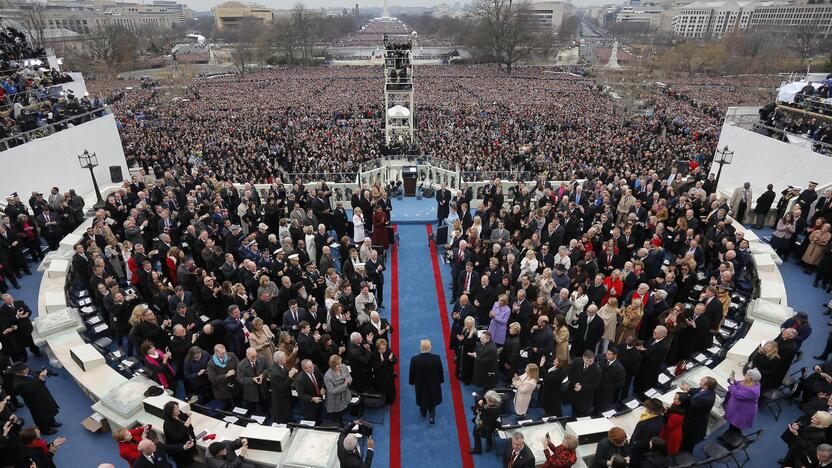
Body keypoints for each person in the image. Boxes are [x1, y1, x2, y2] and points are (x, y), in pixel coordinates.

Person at [10, 362, 60, 435]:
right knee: (40, 416)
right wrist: (41, 378)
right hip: (35, 402)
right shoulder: (18, 384)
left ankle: (52, 422)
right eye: (24, 369)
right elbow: (33, 388)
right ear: (18, 372)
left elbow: (36, 373)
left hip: (43, 395)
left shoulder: (27, 371)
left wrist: (46, 372)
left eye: (26, 368)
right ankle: (45, 430)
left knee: (49, 408)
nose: (27, 369)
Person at [409, 339, 444, 424]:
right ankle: (432, 416)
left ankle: (423, 411)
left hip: (420, 384)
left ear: (420, 347)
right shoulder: (436, 358)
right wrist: (441, 381)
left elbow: (412, 373)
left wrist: (412, 382)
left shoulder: (414, 359)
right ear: (430, 347)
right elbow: (440, 371)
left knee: (422, 396)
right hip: (433, 383)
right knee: (432, 398)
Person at [680, 376, 717, 453]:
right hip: (692, 417)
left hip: (695, 422)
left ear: (706, 384)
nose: (700, 380)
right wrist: (688, 389)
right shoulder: (705, 389)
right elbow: (696, 390)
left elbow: (691, 404)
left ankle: (685, 453)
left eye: (702, 380)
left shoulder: (706, 398)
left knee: (689, 438)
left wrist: (682, 395)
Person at [724, 369, 762, 437]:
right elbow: (739, 384)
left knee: (735, 425)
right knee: (733, 424)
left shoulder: (753, 391)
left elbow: (737, 394)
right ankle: (730, 435)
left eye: (747, 375)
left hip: (743, 411)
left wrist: (732, 384)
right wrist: (734, 381)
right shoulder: (747, 382)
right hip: (738, 407)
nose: (745, 375)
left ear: (751, 378)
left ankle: (732, 438)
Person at [629, 398, 665, 468]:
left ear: (651, 410)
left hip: (638, 451)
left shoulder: (644, 424)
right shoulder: (660, 417)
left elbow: (636, 440)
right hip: (648, 450)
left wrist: (631, 448)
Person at [566, 350, 601, 417]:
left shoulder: (597, 370)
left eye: (590, 361)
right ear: (583, 357)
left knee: (583, 414)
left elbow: (595, 384)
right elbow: (570, 373)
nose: (588, 362)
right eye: (586, 360)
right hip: (574, 393)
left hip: (586, 396)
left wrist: (581, 387)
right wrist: (575, 383)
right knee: (574, 411)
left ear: (593, 359)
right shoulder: (576, 361)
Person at [265, 350, 297, 423]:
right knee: (282, 414)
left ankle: (290, 420)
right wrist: (290, 375)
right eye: (284, 357)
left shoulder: (281, 365)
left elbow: (285, 374)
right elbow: (282, 387)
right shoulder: (275, 372)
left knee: (288, 410)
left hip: (286, 395)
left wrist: (291, 372)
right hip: (280, 398)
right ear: (279, 360)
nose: (286, 358)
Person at [162, 401, 196, 466]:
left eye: (178, 407)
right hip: (180, 449)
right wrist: (186, 426)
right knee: (185, 463)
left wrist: (186, 415)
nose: (178, 409)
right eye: (175, 409)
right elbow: (176, 438)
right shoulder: (168, 424)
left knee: (191, 457)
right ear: (170, 412)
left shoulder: (179, 413)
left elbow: (183, 417)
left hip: (189, 441)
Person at [206, 344, 240, 409]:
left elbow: (239, 367)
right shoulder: (211, 364)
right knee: (228, 407)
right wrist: (226, 375)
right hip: (223, 390)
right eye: (222, 353)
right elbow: (212, 379)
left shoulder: (232, 355)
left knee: (238, 404)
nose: (224, 355)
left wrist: (235, 371)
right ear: (216, 353)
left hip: (235, 386)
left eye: (224, 352)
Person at [236, 347, 268, 414]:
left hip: (262, 388)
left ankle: (266, 415)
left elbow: (268, 369)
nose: (255, 358)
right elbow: (240, 379)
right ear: (247, 355)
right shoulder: (241, 365)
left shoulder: (262, 358)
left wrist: (263, 375)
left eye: (256, 355)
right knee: (252, 408)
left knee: (264, 404)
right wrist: (252, 379)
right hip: (250, 391)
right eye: (252, 356)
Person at [594, 347, 625, 414]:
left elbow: (620, 383)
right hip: (596, 388)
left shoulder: (619, 368)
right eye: (607, 353)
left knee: (601, 409)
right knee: (593, 404)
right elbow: (595, 358)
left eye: (609, 354)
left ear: (615, 356)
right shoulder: (602, 358)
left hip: (606, 393)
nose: (606, 355)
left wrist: (608, 387)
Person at [324, 354, 353, 425]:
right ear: (333, 366)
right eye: (338, 364)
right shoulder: (328, 376)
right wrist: (345, 385)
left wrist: (349, 380)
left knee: (344, 410)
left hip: (344, 395)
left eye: (340, 363)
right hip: (335, 399)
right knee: (337, 415)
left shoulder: (343, 366)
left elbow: (349, 376)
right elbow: (332, 390)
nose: (340, 365)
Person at [295, 358, 325, 423]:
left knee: (319, 417)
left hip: (319, 399)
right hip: (309, 405)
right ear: (304, 369)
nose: (312, 368)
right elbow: (301, 395)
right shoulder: (300, 379)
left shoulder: (315, 368)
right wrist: (312, 398)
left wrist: (322, 387)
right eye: (310, 367)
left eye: (312, 366)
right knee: (312, 421)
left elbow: (322, 377)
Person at [369, 338, 397, 404]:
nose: (383, 349)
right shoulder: (374, 355)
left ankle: (390, 400)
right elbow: (376, 367)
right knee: (382, 388)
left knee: (390, 387)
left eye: (384, 347)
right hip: (380, 376)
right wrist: (384, 361)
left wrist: (391, 360)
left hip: (389, 373)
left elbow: (395, 360)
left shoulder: (389, 351)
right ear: (378, 347)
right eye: (382, 348)